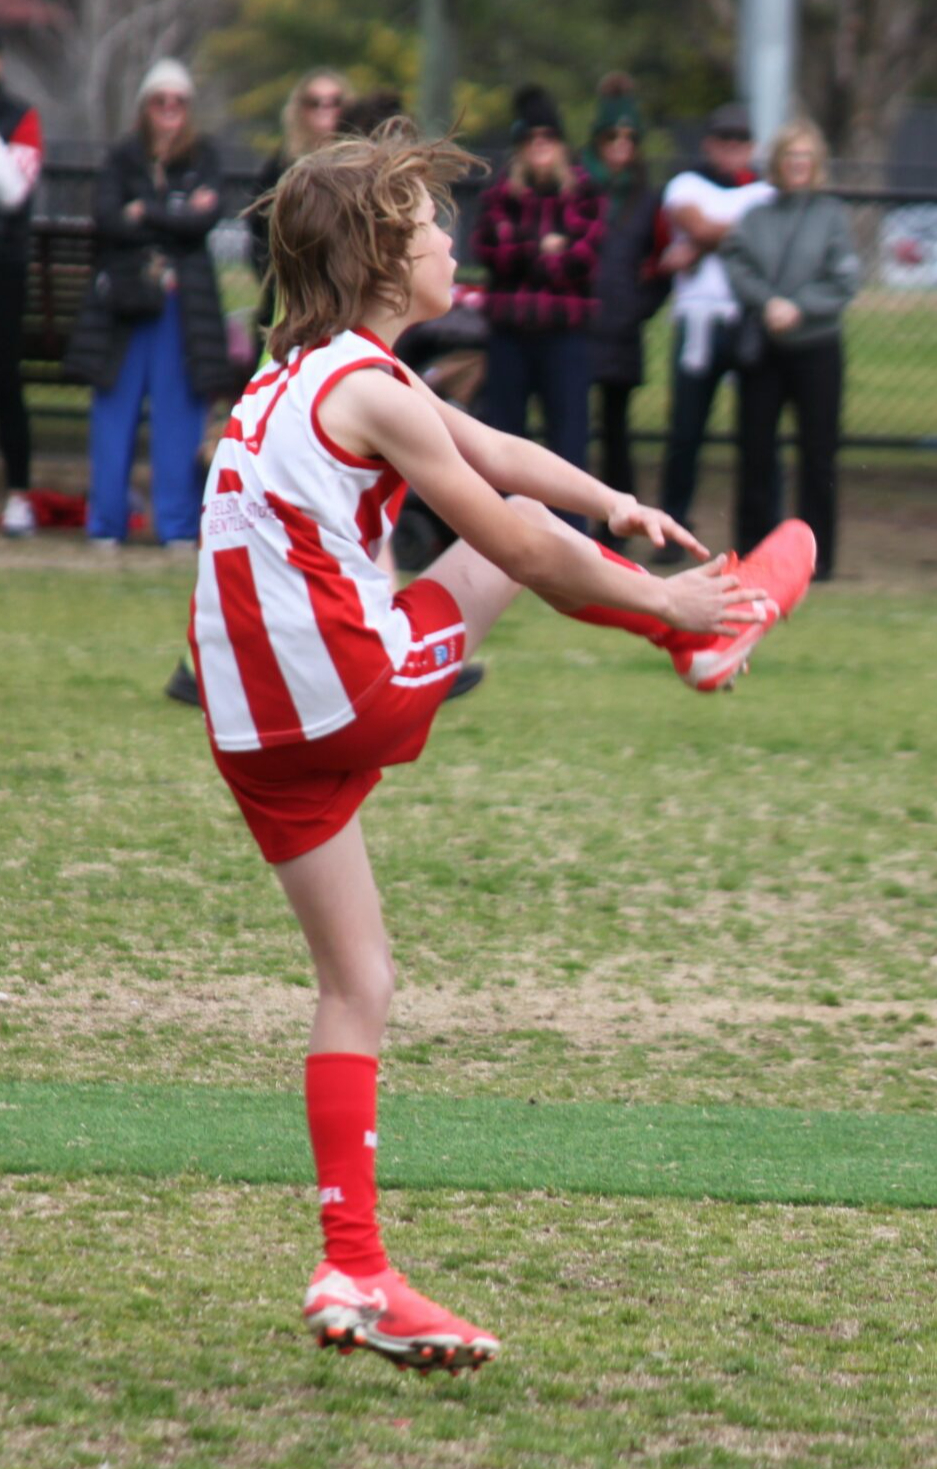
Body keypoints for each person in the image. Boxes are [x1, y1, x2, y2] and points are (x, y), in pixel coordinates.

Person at [188, 123, 815, 1374]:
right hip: (344, 692)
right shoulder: (370, 387)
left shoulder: (310, 373)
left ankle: (353, 1267)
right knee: (513, 547)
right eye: (431, 225)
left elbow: (500, 456)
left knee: (359, 980)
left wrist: (610, 502)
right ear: (382, 256)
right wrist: (663, 595)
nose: (452, 240)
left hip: (250, 730)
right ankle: (699, 639)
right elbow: (513, 541)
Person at [64, 58, 231, 548]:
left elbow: (203, 222)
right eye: (160, 100)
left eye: (179, 101)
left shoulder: (204, 156)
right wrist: (174, 212)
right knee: (114, 412)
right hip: (127, 305)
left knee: (179, 415)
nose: (169, 109)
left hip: (183, 308)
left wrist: (145, 211)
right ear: (144, 107)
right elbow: (109, 220)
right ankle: (106, 522)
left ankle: (176, 524)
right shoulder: (123, 157)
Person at [721, 119, 859, 579]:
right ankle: (753, 550)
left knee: (818, 453)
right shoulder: (756, 216)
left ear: (816, 163)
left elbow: (844, 280)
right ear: (777, 162)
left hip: (817, 347)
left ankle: (817, 556)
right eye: (790, 156)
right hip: (765, 350)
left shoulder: (831, 216)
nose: (798, 164)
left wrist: (801, 307)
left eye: (806, 156)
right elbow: (736, 263)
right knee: (756, 450)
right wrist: (769, 303)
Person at [471, 85, 604, 533]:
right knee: (501, 438)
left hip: (564, 335)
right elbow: (490, 250)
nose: (540, 145)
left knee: (569, 440)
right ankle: (500, 533)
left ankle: (571, 536)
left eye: (548, 136)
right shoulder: (500, 192)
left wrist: (522, 249)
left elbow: (583, 259)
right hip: (509, 333)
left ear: (562, 143)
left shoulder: (585, 191)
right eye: (531, 138)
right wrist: (543, 248)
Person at [653, 103, 774, 564]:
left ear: (751, 147)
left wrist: (701, 244)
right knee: (685, 432)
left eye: (739, 142)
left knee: (757, 435)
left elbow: (751, 238)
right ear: (709, 144)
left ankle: (756, 536)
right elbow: (697, 223)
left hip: (748, 318)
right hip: (698, 320)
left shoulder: (764, 190)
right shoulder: (687, 184)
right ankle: (673, 529)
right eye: (724, 141)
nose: (731, 150)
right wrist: (732, 233)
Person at [580, 74, 671, 536]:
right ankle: (571, 516)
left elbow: (662, 265)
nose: (621, 146)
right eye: (613, 137)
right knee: (573, 427)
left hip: (621, 330)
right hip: (576, 325)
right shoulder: (579, 190)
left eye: (629, 138)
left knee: (616, 430)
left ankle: (618, 524)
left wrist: (637, 307)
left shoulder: (648, 201)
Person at [249, 69, 351, 328]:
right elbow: (259, 232)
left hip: (347, 295)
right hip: (291, 296)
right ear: (299, 109)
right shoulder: (280, 167)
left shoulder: (357, 168)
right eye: (314, 102)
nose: (325, 110)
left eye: (335, 102)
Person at [0, 40, 44, 539]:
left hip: (5, 267)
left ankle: (18, 496)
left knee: (5, 381)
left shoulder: (20, 117)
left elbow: (13, 191)